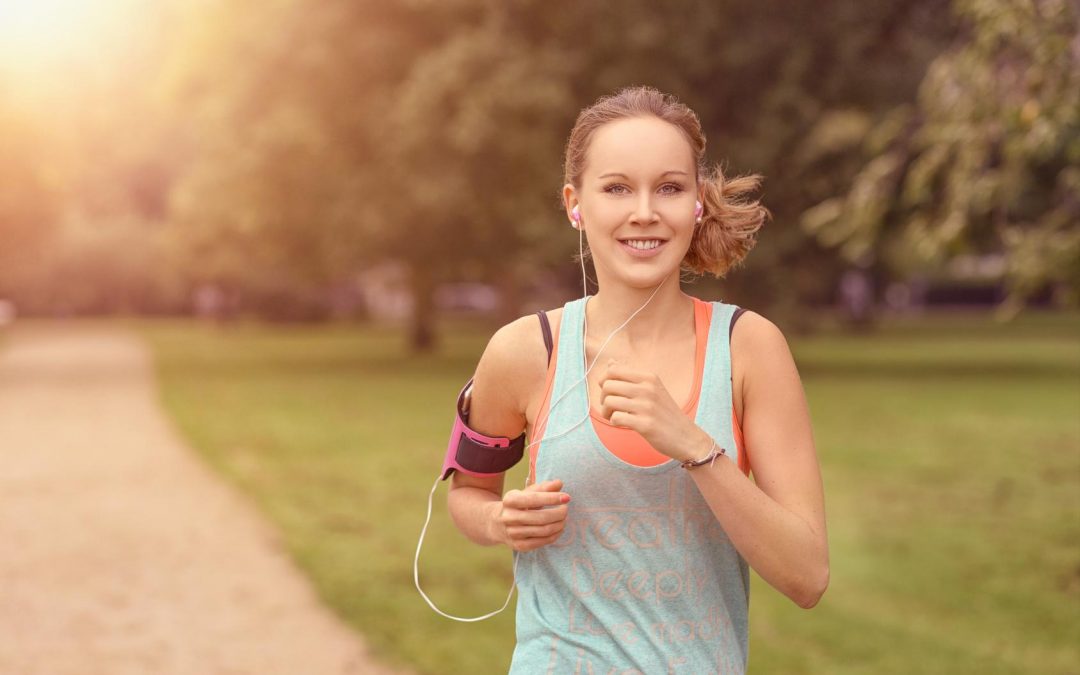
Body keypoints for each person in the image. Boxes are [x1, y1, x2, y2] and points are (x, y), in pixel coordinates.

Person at [446, 86, 828, 674]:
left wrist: (694, 446)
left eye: (669, 188)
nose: (644, 212)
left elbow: (807, 576)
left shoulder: (750, 348)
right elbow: (468, 494)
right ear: (576, 204)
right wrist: (501, 522)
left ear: (698, 203)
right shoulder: (525, 351)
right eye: (617, 187)